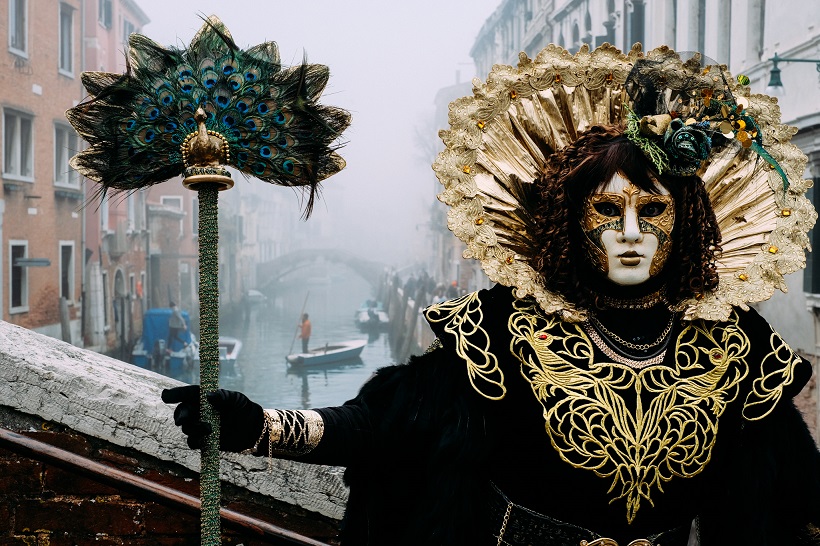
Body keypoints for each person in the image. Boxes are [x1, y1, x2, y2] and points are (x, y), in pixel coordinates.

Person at [163, 46, 820, 545]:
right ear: (569, 223)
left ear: (688, 224)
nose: (630, 233)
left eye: (652, 210)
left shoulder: (735, 348)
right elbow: (384, 426)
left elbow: (794, 494)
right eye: (606, 210)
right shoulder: (502, 330)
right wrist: (258, 426)